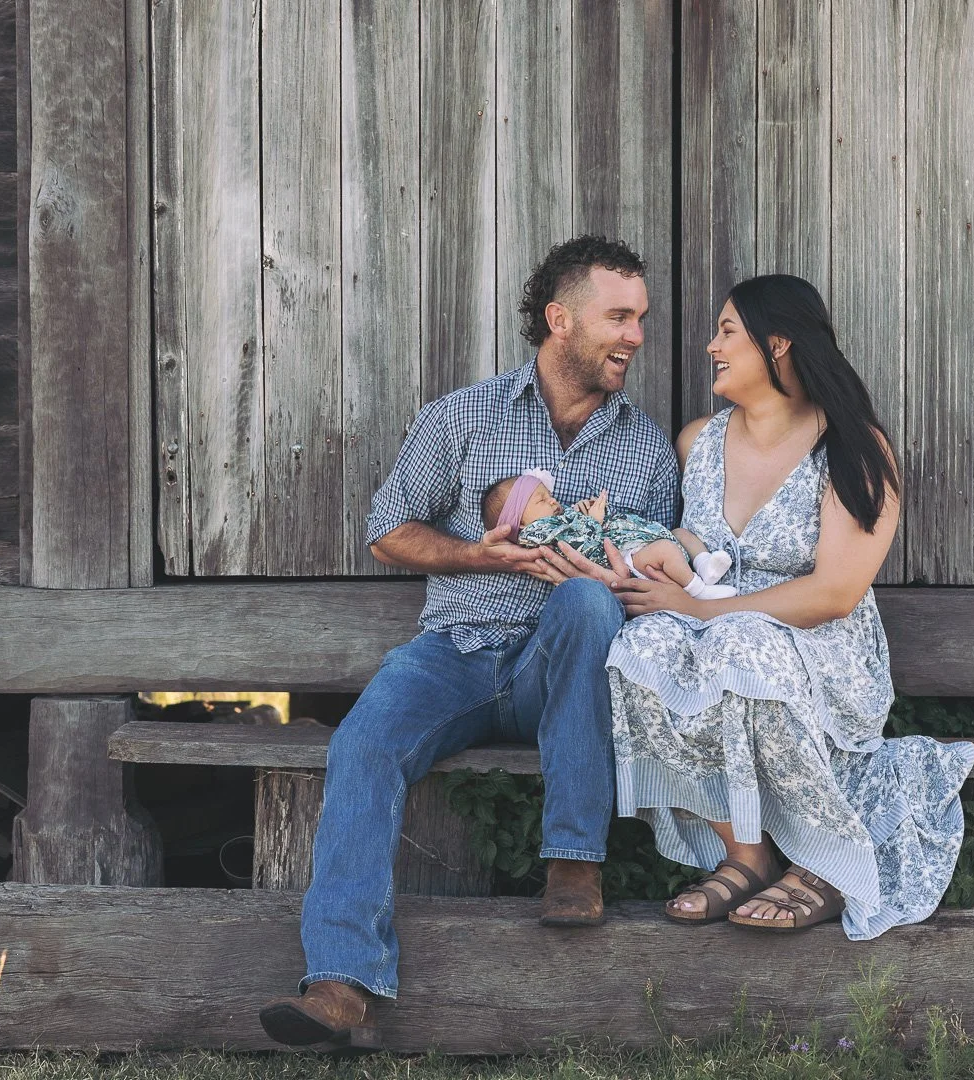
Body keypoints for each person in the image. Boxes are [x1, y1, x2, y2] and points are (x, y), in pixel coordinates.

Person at [257, 236, 680, 1050]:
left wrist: (605, 575)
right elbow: (387, 531)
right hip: (454, 651)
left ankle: (573, 859)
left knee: (590, 606)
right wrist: (475, 553)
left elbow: (656, 585)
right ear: (560, 319)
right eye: (617, 317)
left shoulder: (647, 449)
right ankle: (341, 982)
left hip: (564, 671)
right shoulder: (463, 417)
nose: (633, 335)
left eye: (640, 320)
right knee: (365, 742)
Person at [602, 274, 974, 938]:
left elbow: (834, 592)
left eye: (727, 332)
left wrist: (700, 612)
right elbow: (704, 545)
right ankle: (743, 854)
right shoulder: (700, 442)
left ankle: (824, 864)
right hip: (721, 635)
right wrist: (661, 555)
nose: (711, 347)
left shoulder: (852, 449)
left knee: (735, 641)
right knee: (643, 642)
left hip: (820, 655)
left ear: (777, 344)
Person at [482, 469, 737, 599]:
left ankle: (705, 565)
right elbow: (582, 549)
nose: (552, 501)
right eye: (540, 500)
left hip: (633, 540)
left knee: (681, 533)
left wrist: (583, 512)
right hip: (624, 558)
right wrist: (592, 521)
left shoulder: (556, 520)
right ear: (522, 524)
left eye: (549, 496)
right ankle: (699, 592)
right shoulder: (540, 536)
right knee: (666, 551)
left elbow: (581, 528)